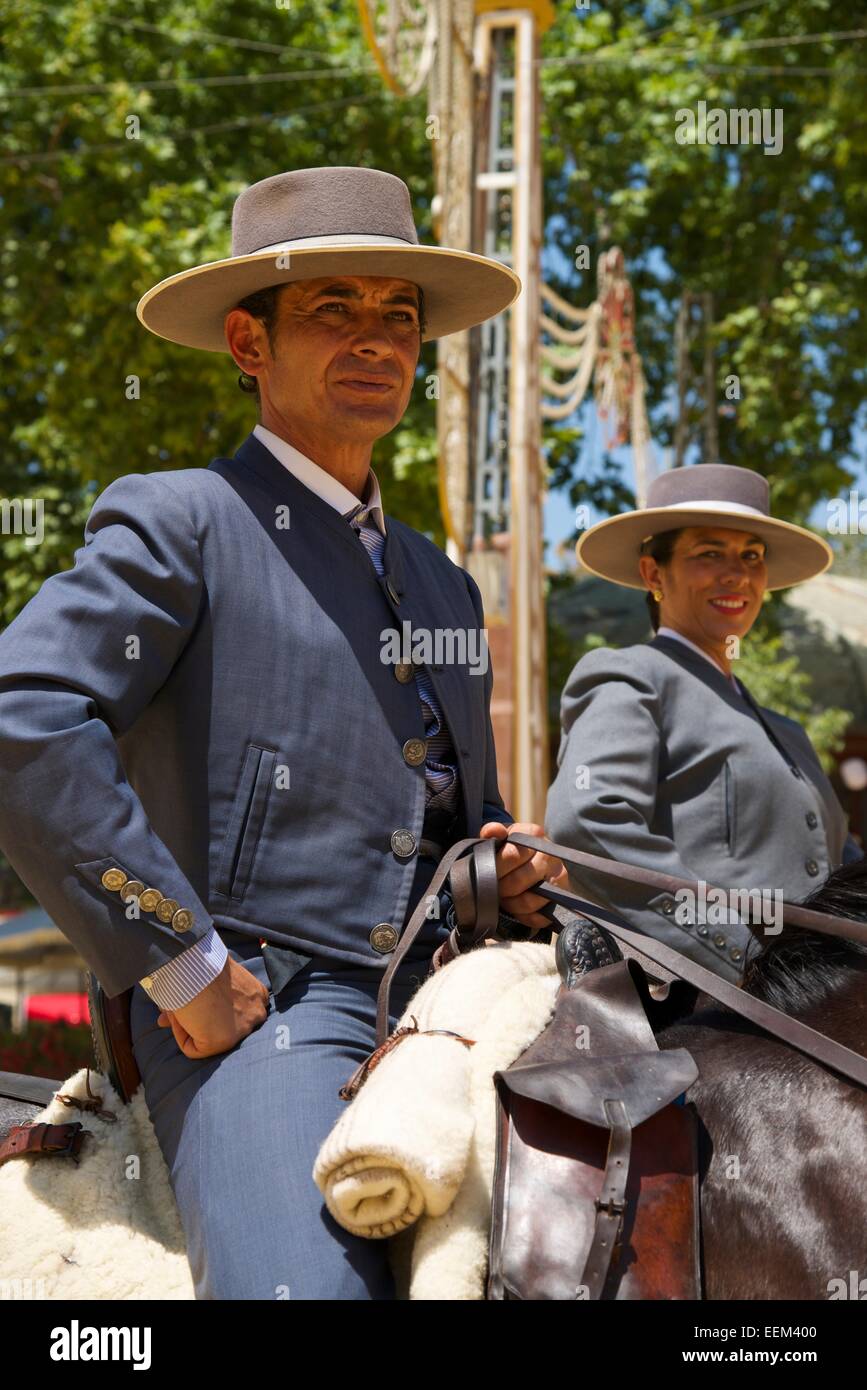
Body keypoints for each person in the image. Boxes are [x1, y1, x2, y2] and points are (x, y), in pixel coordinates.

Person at [0, 165, 563, 1299]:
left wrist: (502, 871)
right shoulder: (182, 520)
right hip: (263, 1009)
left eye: (398, 317)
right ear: (249, 344)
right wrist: (180, 958)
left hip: (456, 994)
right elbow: (25, 716)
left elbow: (454, 817)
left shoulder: (444, 587)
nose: (376, 339)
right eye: (333, 311)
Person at [546, 462, 863, 984]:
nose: (736, 573)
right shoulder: (631, 675)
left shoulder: (785, 730)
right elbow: (588, 818)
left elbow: (840, 863)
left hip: (821, 1000)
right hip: (707, 1001)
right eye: (709, 553)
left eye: (751, 556)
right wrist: (742, 959)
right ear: (654, 574)